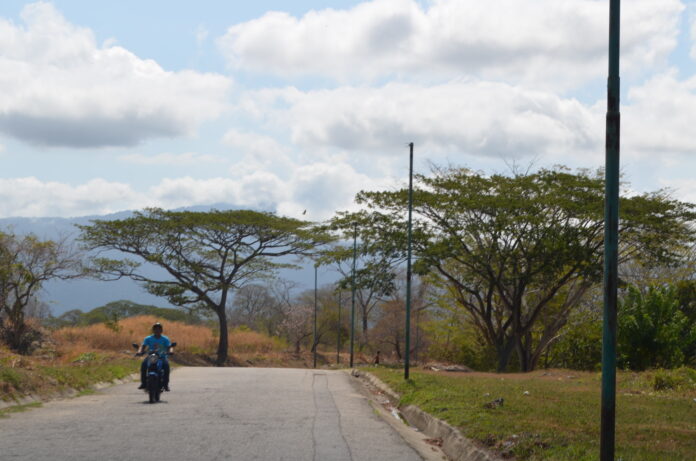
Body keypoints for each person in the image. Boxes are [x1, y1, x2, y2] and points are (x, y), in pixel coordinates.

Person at [137, 322, 174, 391]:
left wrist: (170, 351)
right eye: (155, 329)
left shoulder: (165, 339)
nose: (157, 330)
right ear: (153, 330)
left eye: (159, 329)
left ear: (161, 330)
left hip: (162, 357)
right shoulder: (148, 338)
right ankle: (143, 383)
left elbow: (169, 347)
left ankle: (166, 384)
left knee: (166, 366)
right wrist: (139, 351)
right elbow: (142, 346)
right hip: (151, 356)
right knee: (144, 365)